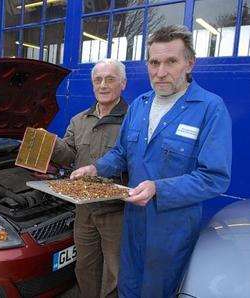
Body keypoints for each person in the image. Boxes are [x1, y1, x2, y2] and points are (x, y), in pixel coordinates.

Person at [71, 25, 232, 297]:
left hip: (171, 230)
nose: (160, 72)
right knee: (128, 287)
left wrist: (160, 189)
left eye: (171, 61)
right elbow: (121, 153)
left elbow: (213, 177)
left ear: (189, 63)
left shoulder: (209, 109)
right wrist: (95, 167)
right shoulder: (140, 105)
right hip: (132, 222)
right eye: (154, 62)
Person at [50, 59, 128, 298]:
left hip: (116, 211)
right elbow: (69, 156)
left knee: (116, 270)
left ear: (123, 84)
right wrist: (51, 145)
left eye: (110, 79)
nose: (103, 85)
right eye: (98, 80)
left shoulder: (132, 120)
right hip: (83, 209)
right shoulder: (79, 120)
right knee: (85, 265)